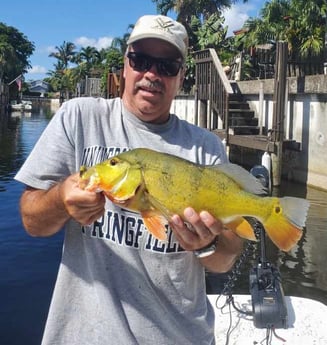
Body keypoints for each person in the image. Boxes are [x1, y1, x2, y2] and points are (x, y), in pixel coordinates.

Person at [15, 14, 243, 345]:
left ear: (181, 78)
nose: (152, 74)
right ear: (125, 65)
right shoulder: (79, 118)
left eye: (167, 66)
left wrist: (208, 243)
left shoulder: (206, 147)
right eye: (141, 60)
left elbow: (227, 257)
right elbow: (32, 221)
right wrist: (61, 198)